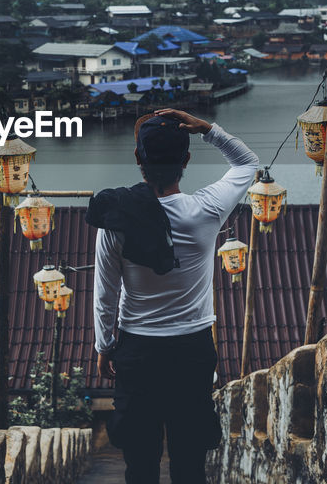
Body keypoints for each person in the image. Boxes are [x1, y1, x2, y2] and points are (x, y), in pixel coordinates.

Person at [90, 108, 259, 484]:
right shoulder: (207, 209)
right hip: (191, 352)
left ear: (138, 159)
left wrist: (105, 346)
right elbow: (248, 163)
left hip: (137, 352)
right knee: (189, 463)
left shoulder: (116, 218)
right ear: (186, 160)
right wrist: (208, 129)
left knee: (140, 464)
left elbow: (105, 292)